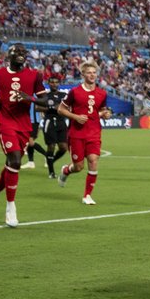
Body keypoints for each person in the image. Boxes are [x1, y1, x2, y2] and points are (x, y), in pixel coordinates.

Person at [0, 44, 45, 228]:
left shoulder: (35, 75)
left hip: (24, 125)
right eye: (17, 52)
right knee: (15, 160)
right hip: (5, 123)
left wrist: (30, 98)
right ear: (9, 56)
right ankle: (11, 208)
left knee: (11, 165)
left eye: (23, 53)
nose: (21, 55)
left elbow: (45, 99)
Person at [57, 60, 112, 203]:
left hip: (94, 132)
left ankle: (87, 195)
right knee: (78, 167)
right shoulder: (74, 92)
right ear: (83, 74)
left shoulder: (102, 93)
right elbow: (60, 109)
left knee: (93, 161)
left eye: (94, 72)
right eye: (89, 72)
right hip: (77, 134)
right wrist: (75, 116)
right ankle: (66, 171)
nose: (92, 75)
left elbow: (101, 110)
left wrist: (105, 114)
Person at [36, 78, 70, 178]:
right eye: (52, 82)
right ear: (49, 84)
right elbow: (37, 108)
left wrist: (59, 108)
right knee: (51, 146)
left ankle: (50, 160)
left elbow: (68, 107)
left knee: (63, 148)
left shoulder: (63, 95)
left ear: (59, 83)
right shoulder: (45, 96)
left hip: (61, 122)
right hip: (49, 122)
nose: (54, 84)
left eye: (56, 82)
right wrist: (51, 108)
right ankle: (51, 173)